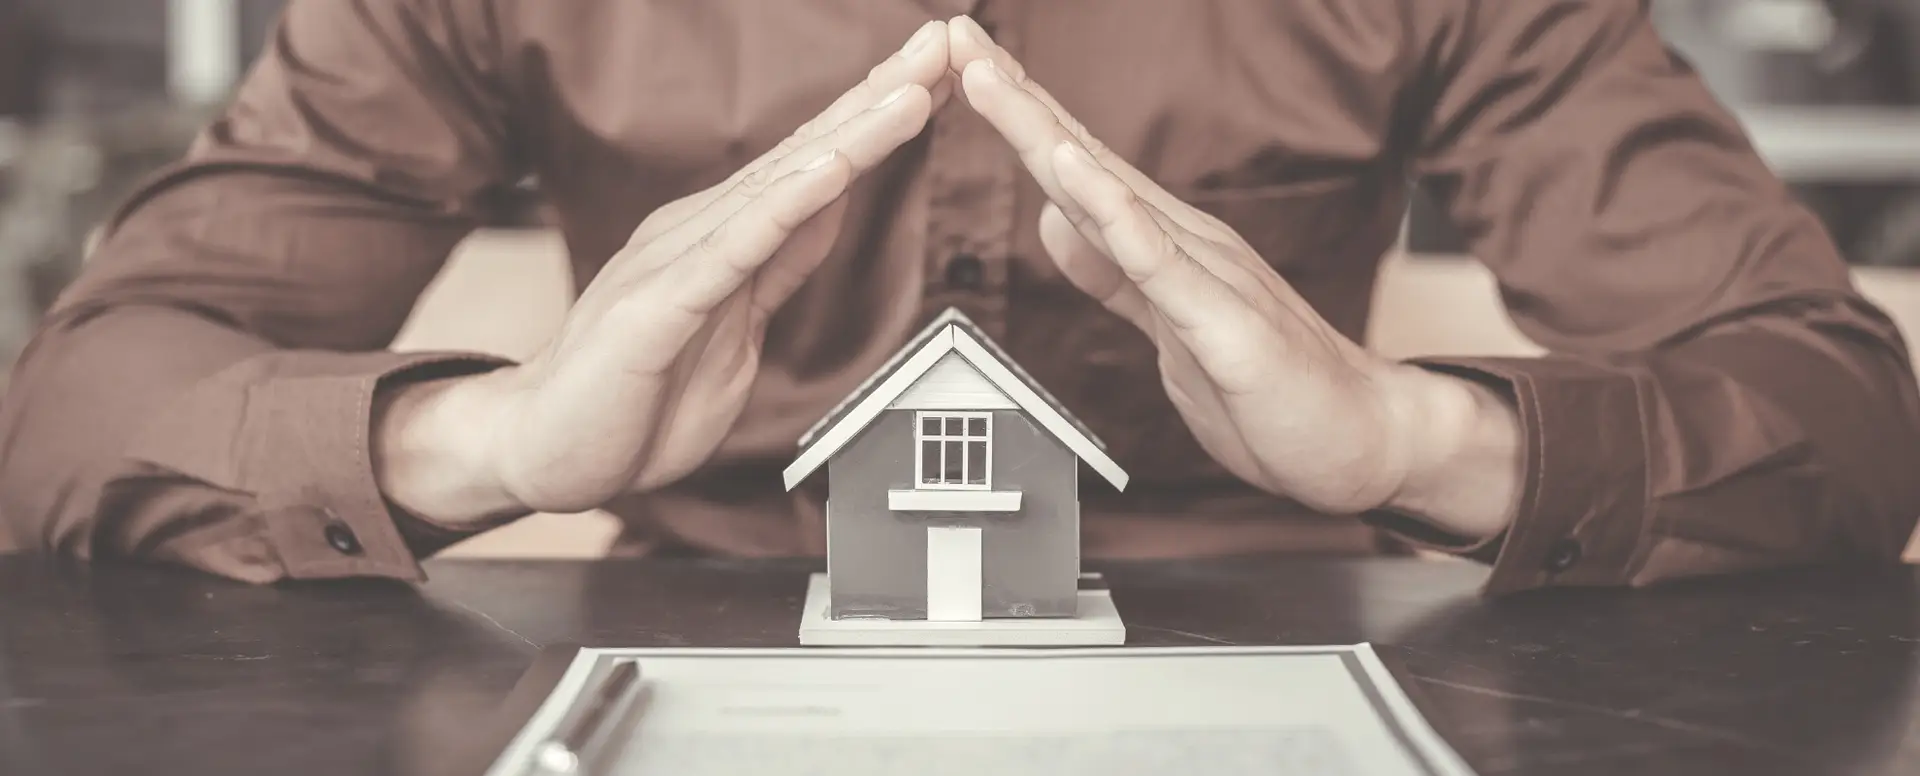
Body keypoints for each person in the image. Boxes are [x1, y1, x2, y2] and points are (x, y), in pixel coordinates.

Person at [1, 2, 1915, 595]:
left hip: (1287, 658)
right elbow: (79, 404)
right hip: (681, 647)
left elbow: (1838, 407)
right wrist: (495, 435)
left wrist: (1415, 429)